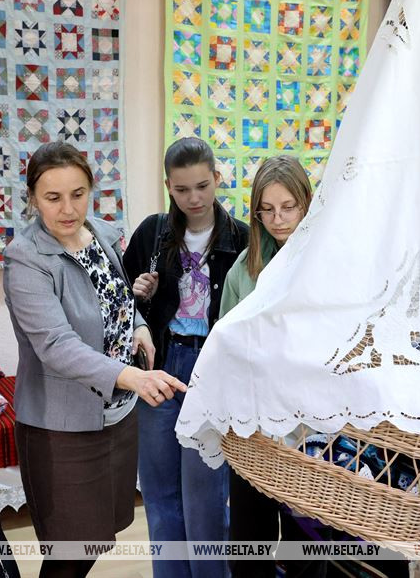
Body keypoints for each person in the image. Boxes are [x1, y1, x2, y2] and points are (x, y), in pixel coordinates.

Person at [3, 141, 185, 578]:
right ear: (32, 198)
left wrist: (138, 324)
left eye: (78, 194)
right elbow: (56, 345)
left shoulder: (102, 234)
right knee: (69, 553)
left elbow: (116, 298)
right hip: (62, 428)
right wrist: (132, 377)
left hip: (115, 417)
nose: (68, 209)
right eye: (53, 197)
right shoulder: (25, 257)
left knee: (93, 542)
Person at [123, 137, 249, 578]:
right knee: (159, 493)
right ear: (168, 187)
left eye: (202, 186)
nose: (194, 198)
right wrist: (139, 294)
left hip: (211, 371)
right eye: (181, 189)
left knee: (205, 496)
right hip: (160, 367)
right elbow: (122, 307)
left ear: (217, 178)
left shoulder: (242, 238)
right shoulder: (152, 232)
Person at [220, 155, 325, 578]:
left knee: (305, 544)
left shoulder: (329, 262)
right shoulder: (243, 270)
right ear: (256, 213)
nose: (278, 219)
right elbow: (224, 347)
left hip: (309, 427)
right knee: (248, 544)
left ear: (307, 204)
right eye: (267, 209)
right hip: (253, 426)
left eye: (288, 207)